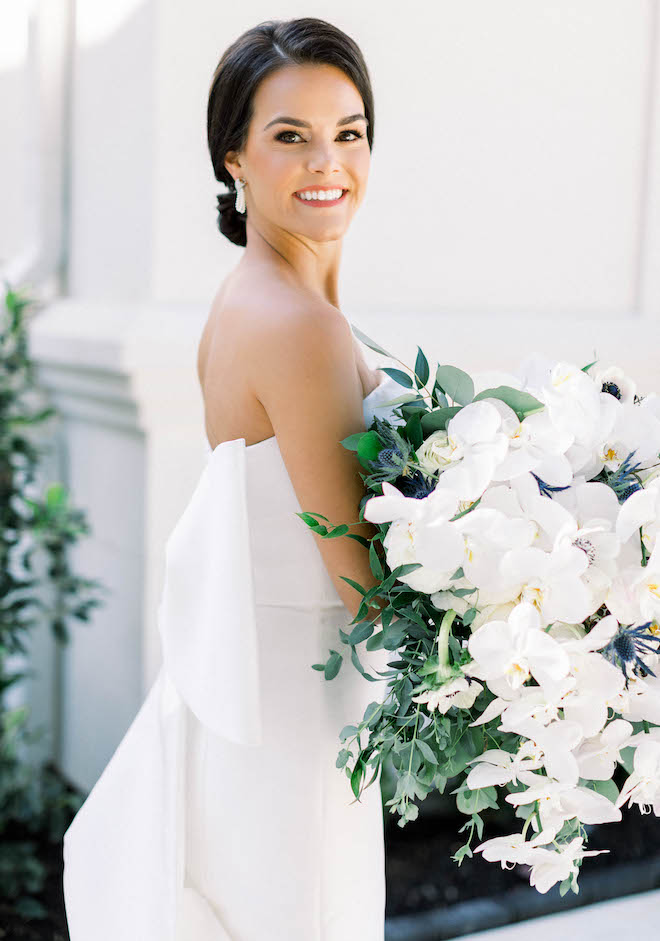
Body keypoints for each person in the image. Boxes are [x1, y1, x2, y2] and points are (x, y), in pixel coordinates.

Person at [62, 16, 399, 940]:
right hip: (296, 719)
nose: (327, 161)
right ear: (235, 158)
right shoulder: (297, 325)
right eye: (290, 135)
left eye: (350, 131)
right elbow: (365, 588)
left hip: (259, 699)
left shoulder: (254, 295)